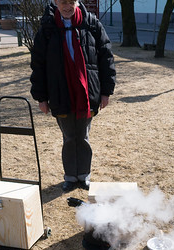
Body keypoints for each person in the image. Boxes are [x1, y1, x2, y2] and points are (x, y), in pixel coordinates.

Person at [30, 0, 116, 192]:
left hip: (87, 92)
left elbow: (106, 57)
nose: (67, 7)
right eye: (62, 2)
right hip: (60, 92)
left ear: (76, 3)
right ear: (56, 3)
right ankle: (70, 176)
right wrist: (41, 98)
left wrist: (106, 92)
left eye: (70, 2)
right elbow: (38, 64)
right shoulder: (47, 28)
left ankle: (83, 175)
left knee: (83, 136)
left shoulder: (92, 24)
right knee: (69, 137)